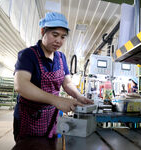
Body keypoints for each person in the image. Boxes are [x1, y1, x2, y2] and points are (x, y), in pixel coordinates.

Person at [13, 12, 93, 142]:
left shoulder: (61, 58)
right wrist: (56, 100)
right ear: (43, 31)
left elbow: (67, 83)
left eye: (63, 37)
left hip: (51, 116)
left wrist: (79, 96)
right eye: (54, 35)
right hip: (29, 116)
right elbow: (21, 85)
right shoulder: (28, 55)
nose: (58, 41)